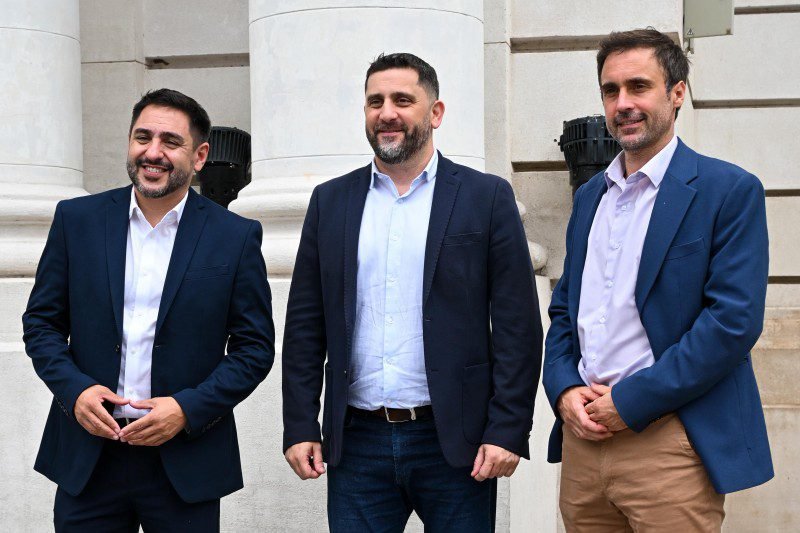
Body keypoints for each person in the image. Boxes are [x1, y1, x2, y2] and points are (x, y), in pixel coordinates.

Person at [282, 52, 542, 531]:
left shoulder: (486, 197)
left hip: (456, 442)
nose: (387, 113)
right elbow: (304, 324)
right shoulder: (331, 201)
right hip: (357, 443)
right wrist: (300, 424)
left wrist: (508, 428)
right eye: (375, 101)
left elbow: (517, 327)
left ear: (435, 113)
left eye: (403, 100)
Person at [543, 28, 773, 531]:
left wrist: (631, 402)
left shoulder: (728, 190)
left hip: (668, 440)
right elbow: (564, 309)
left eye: (639, 86)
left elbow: (732, 323)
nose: (623, 103)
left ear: (676, 92)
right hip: (584, 445)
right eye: (611, 90)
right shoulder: (591, 198)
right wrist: (562, 390)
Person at [22, 88, 275, 532]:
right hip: (90, 459)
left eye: (170, 142)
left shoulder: (235, 236)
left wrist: (187, 409)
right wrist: (75, 392)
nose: (153, 152)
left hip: (185, 461)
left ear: (199, 156)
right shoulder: (76, 220)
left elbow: (254, 348)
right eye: (143, 137)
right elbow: (41, 325)